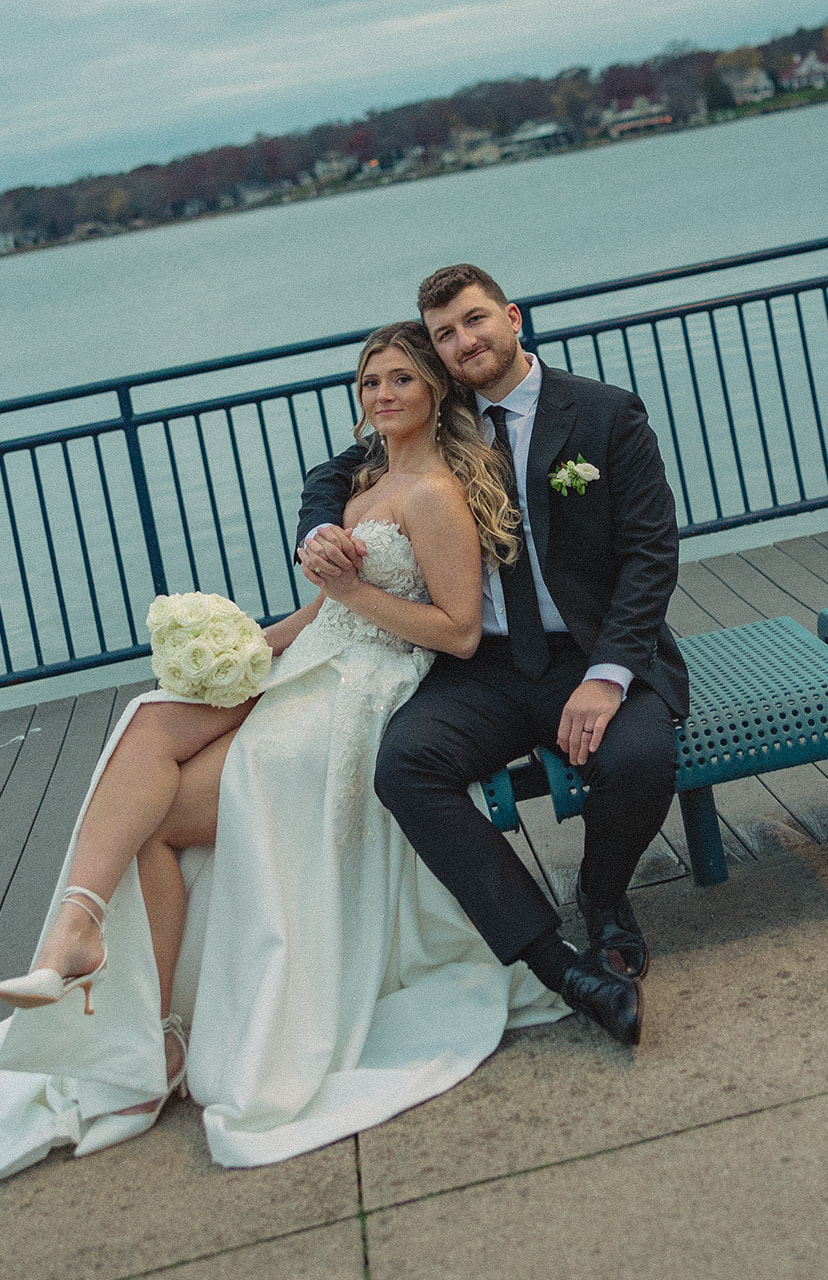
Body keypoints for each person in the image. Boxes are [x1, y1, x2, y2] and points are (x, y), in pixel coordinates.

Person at [0, 322, 566, 1205]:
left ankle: (151, 1030)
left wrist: (352, 595)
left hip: (364, 691)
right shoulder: (367, 480)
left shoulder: (434, 495)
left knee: (156, 820)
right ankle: (86, 941)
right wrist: (250, 650)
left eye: (401, 382)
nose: (382, 395)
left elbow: (455, 632)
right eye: (370, 381)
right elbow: (322, 616)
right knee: (149, 718)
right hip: (315, 660)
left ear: (434, 394)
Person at [298, 264, 689, 1047]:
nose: (463, 342)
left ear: (512, 318)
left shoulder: (606, 416)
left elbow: (651, 554)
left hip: (589, 652)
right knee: (406, 766)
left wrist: (609, 679)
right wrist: (317, 530)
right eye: (444, 334)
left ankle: (604, 895)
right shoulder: (441, 418)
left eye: (474, 321)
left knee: (642, 759)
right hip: (484, 663)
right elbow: (335, 471)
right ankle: (560, 965)